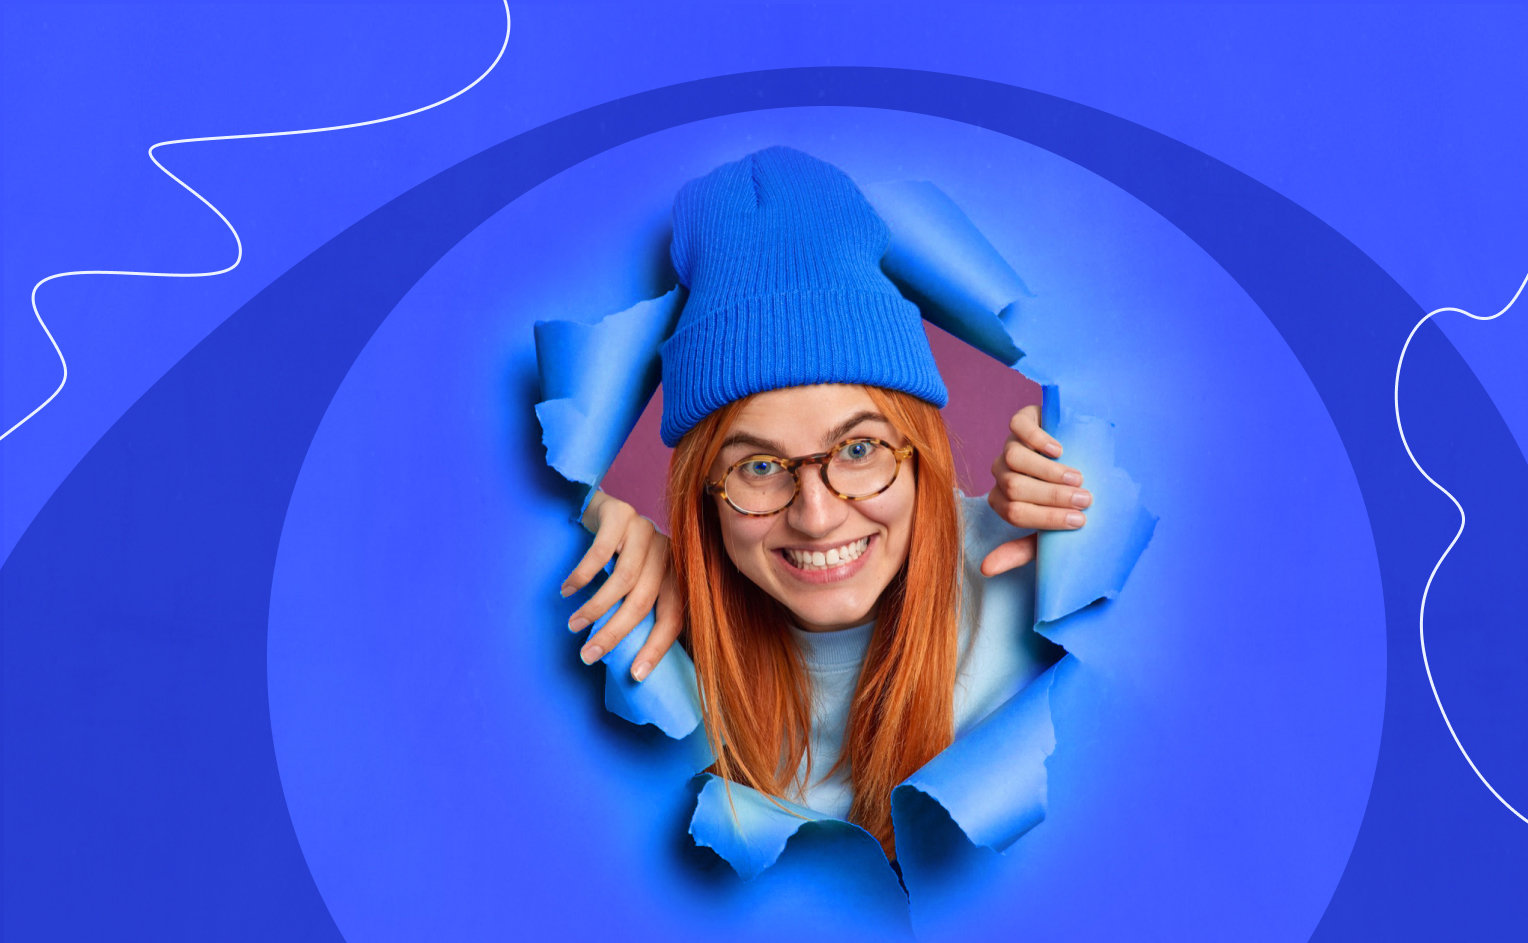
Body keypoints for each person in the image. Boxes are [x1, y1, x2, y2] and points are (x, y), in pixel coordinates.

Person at [558, 147, 1089, 858]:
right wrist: (592, 504)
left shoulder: (1028, 572)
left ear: (920, 449)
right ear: (702, 492)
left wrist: (1091, 492)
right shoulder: (661, 633)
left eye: (860, 449)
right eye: (759, 465)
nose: (816, 513)